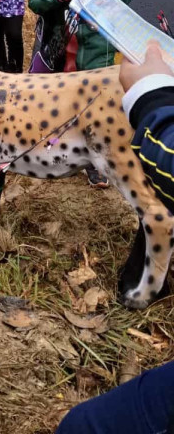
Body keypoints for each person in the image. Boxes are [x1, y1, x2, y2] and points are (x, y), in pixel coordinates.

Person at [54, 41, 174, 434]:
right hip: (93, 85)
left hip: (119, 92)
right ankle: (142, 280)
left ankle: (146, 284)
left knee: (81, 427)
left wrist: (152, 94)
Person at [29, 0, 132, 188]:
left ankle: (95, 161)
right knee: (64, 100)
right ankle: (62, 148)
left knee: (97, 104)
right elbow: (35, 1)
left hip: (100, 44)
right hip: (62, 43)